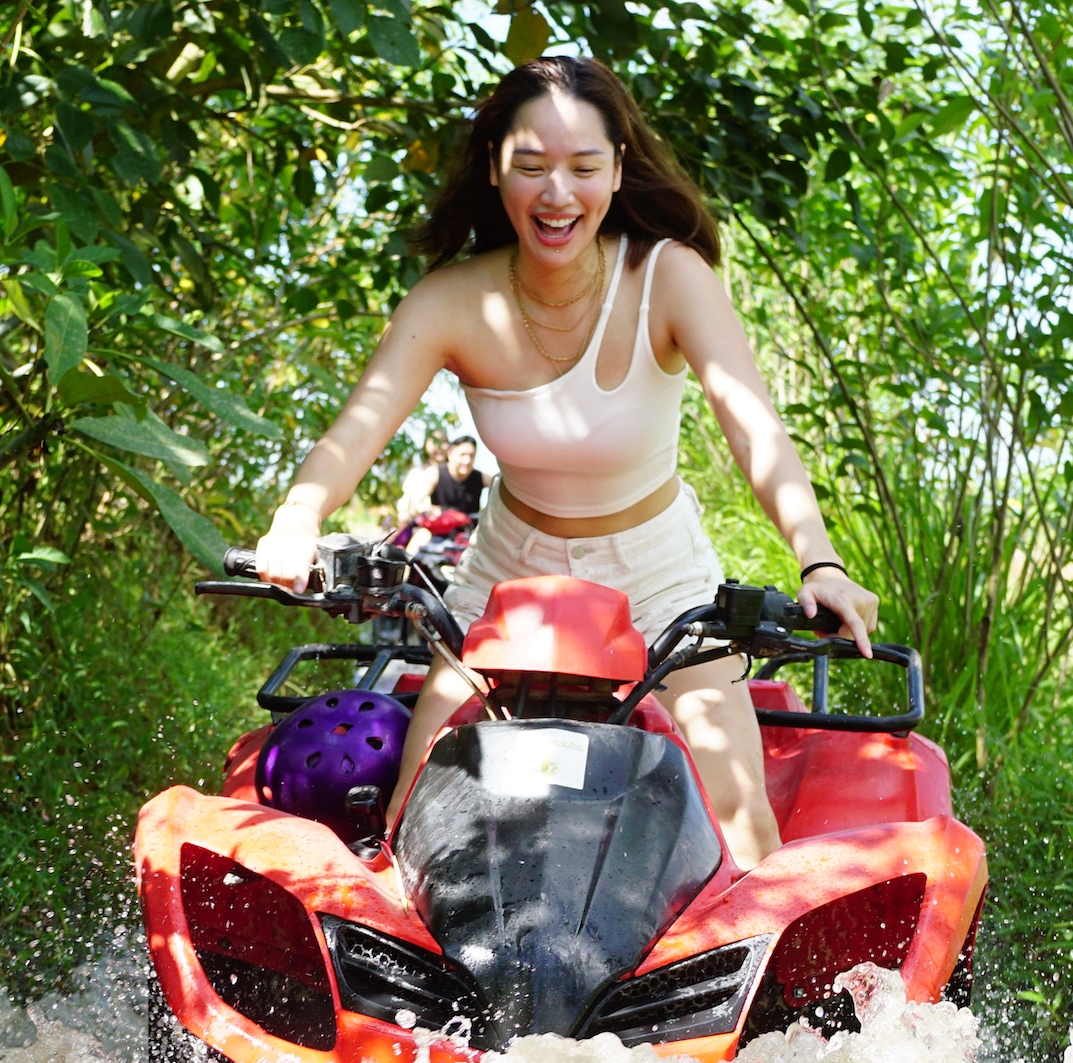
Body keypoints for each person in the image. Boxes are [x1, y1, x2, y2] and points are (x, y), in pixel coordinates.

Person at [251, 55, 876, 869]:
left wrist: (817, 558)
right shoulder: (452, 300)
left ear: (618, 170)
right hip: (509, 570)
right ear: (494, 169)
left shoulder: (668, 278)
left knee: (743, 819)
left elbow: (754, 431)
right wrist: (297, 519)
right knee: (411, 810)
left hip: (660, 571)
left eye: (583, 167)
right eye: (531, 166)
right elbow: (355, 430)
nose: (558, 195)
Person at [394, 432, 449, 524]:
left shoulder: (459, 474)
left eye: (443, 441)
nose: (439, 446)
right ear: (425, 446)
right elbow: (406, 507)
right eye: (434, 442)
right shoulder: (417, 473)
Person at [429, 434, 486, 518]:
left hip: (471, 528)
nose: (467, 461)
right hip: (439, 526)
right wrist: (432, 510)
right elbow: (416, 501)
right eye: (462, 455)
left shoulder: (481, 477)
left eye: (471, 455)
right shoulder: (435, 473)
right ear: (450, 454)